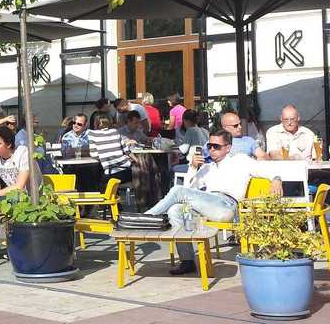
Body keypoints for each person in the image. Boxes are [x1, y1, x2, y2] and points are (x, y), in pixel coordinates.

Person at [146, 130, 283, 275]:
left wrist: (277, 180)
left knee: (178, 191)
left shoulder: (241, 160)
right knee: (175, 210)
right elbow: (188, 190)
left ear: (228, 147)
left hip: (227, 205)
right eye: (209, 146)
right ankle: (187, 261)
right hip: (207, 208)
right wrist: (193, 168)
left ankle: (146, 219)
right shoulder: (207, 168)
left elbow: (269, 169)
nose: (211, 150)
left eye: (216, 146)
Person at [0, 126, 42, 210]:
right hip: (12, 194)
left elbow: (20, 186)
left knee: (14, 198)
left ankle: (5, 218)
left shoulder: (23, 152)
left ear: (9, 144)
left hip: (30, 196)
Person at [88, 112, 133, 187]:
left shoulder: (92, 134)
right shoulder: (115, 131)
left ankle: (108, 197)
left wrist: (104, 156)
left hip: (111, 174)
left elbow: (94, 155)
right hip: (127, 172)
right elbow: (127, 150)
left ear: (96, 124)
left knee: (96, 182)